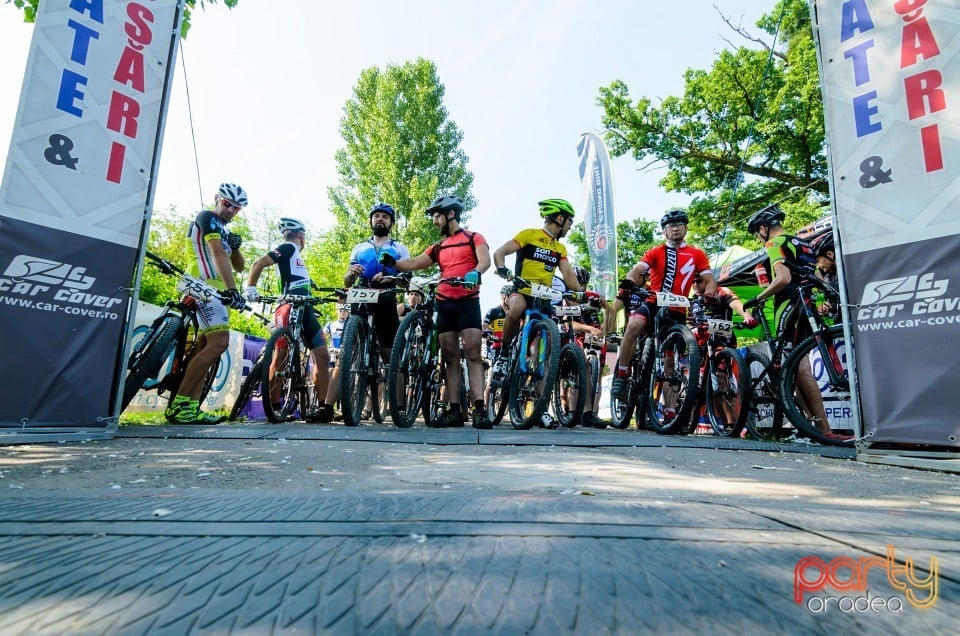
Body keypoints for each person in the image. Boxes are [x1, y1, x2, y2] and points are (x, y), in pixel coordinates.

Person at [382, 194, 493, 428]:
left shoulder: (474, 237)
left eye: (437, 216)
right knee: (450, 358)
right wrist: (393, 262)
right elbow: (413, 263)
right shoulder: (438, 246)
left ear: (451, 214)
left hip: (468, 302)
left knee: (473, 355)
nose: (435, 222)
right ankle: (454, 410)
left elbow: (485, 261)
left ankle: (480, 410)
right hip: (445, 303)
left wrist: (476, 272)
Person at [744, 204, 850, 441]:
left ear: (763, 228)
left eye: (756, 234)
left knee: (797, 366)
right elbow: (817, 277)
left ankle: (820, 429)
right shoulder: (804, 244)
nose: (758, 238)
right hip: (808, 302)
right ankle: (815, 427)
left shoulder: (774, 243)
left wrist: (758, 298)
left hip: (788, 305)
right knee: (799, 364)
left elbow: (782, 279)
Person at [612, 209, 717, 418]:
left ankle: (669, 411)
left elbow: (708, 279)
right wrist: (631, 280)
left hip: (678, 308)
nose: (676, 227)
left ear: (686, 228)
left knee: (672, 364)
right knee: (633, 325)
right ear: (664, 231)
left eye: (680, 224)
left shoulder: (697, 254)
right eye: (671, 225)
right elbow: (638, 269)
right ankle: (623, 372)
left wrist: (711, 291)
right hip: (654, 302)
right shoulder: (656, 251)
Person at [165, 182, 249, 424]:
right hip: (202, 285)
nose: (231, 210)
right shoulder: (207, 217)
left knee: (206, 347)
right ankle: (180, 405)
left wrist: (235, 248)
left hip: (217, 291)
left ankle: (189, 406)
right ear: (216, 199)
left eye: (237, 208)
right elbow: (216, 254)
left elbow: (239, 266)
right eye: (227, 204)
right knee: (218, 343)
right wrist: (233, 290)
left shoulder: (224, 231)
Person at [244, 217, 335, 423]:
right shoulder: (288, 248)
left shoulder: (297, 259)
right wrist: (251, 287)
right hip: (287, 307)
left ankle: (323, 407)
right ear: (301, 236)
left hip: (306, 310)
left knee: (322, 356)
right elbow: (259, 263)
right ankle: (274, 406)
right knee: (281, 354)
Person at [491, 198, 587, 380]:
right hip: (521, 291)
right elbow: (500, 252)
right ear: (560, 218)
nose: (570, 227)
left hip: (544, 298)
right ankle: (503, 354)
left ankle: (538, 400)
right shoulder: (529, 234)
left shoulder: (560, 248)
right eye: (570, 222)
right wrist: (502, 267)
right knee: (517, 307)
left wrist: (583, 292)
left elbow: (567, 273)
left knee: (549, 342)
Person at [343, 202, 410, 364]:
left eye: (385, 217)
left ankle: (394, 388)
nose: (380, 219)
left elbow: (406, 282)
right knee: (346, 356)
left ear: (392, 223)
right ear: (370, 221)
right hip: (361, 294)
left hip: (386, 296)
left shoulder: (399, 248)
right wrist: (351, 274)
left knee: (392, 358)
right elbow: (346, 282)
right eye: (376, 216)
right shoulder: (359, 247)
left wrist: (390, 276)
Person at [559, 265, 610, 429]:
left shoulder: (591, 296)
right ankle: (574, 411)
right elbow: (567, 323)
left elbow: (610, 309)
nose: (580, 289)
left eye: (583, 285)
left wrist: (607, 321)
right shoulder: (565, 298)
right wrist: (589, 328)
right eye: (577, 284)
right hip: (577, 334)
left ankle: (592, 413)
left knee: (598, 374)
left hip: (596, 336)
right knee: (579, 370)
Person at [812, 231, 841, 320]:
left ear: (830, 254)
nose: (818, 266)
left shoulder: (849, 270)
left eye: (818, 261)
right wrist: (826, 307)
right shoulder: (829, 277)